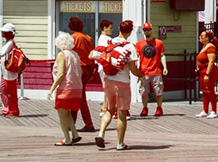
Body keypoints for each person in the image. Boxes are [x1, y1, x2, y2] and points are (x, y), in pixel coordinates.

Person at [96, 19, 138, 151]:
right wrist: (141, 76)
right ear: (130, 32)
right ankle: (120, 143)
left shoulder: (110, 42)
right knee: (121, 113)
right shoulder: (130, 46)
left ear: (119, 29)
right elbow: (133, 69)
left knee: (108, 109)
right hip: (122, 83)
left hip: (108, 80)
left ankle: (101, 133)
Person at [47, 31, 85, 146]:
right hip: (77, 87)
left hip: (65, 88)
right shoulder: (75, 54)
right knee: (67, 112)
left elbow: (61, 73)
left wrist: (51, 89)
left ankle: (66, 138)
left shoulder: (62, 55)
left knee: (62, 113)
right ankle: (74, 134)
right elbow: (80, 71)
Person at [68, 16, 97, 132]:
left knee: (80, 98)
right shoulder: (88, 38)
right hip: (89, 68)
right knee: (78, 96)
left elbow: (69, 54)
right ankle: (72, 123)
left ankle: (88, 123)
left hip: (80, 69)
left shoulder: (73, 38)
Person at [137, 23, 167, 117]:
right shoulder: (139, 44)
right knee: (144, 92)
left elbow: (162, 55)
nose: (147, 32)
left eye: (148, 30)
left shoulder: (158, 43)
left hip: (156, 71)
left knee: (158, 91)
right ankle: (145, 108)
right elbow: (137, 58)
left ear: (152, 30)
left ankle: (159, 108)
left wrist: (165, 67)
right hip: (144, 72)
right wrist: (137, 72)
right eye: (145, 30)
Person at [196, 29, 218, 118]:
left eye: (202, 36)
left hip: (208, 71)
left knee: (210, 90)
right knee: (204, 91)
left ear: (207, 38)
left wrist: (207, 74)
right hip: (202, 71)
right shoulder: (204, 47)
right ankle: (205, 110)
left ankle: (213, 111)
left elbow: (211, 61)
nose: (200, 38)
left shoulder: (210, 47)